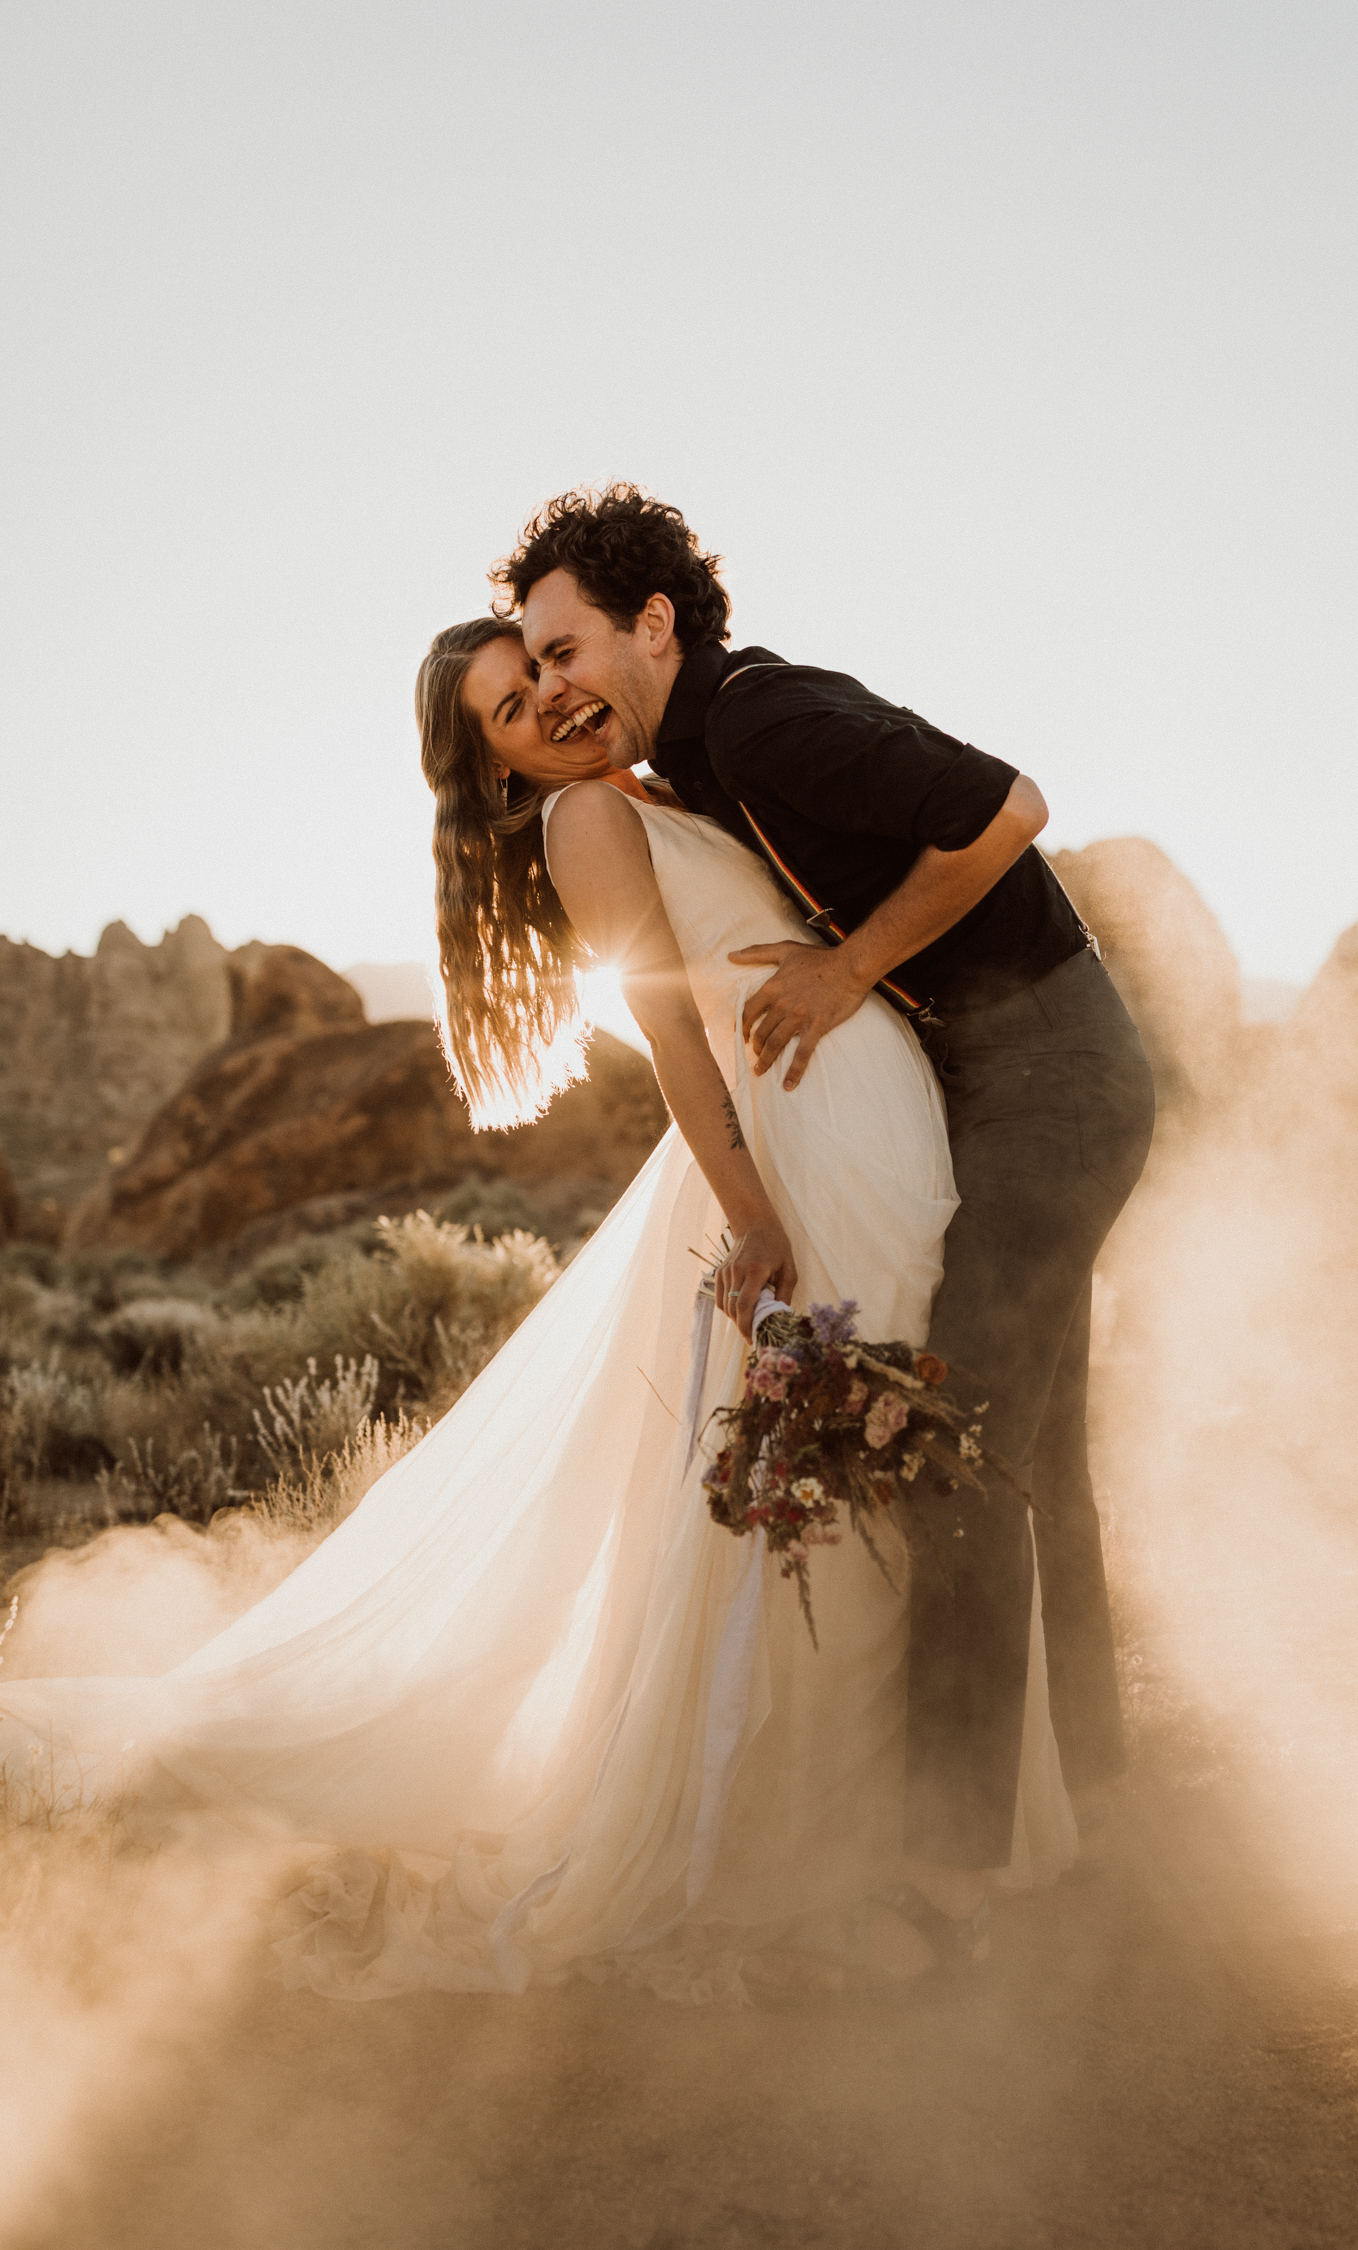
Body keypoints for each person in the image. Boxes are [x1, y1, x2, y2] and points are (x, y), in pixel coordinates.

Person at [0, 611, 1077, 2002]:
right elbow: (674, 1030)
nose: (552, 709)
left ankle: (887, 1828)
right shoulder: (583, 821)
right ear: (493, 763)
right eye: (515, 709)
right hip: (812, 1147)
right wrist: (753, 1210)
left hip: (861, 1118)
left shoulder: (642, 784)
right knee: (852, 1469)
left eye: (545, 674)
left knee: (886, 1461)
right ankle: (819, 1841)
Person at [497, 486, 1155, 1932]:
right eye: (532, 668)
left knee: (959, 1442)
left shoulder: (757, 716)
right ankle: (1094, 1801)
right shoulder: (701, 752)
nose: (552, 683)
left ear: (654, 623)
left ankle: (952, 1865)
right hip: (1001, 1088)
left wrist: (851, 970)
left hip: (1057, 1079)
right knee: (1032, 1445)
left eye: (564, 648)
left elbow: (1011, 809)